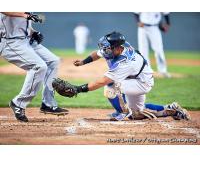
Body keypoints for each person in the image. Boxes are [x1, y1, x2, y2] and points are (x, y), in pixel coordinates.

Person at [52, 31, 190, 121]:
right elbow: (97, 53)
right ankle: (172, 109)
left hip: (141, 83)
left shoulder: (124, 62)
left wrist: (78, 89)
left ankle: (123, 112)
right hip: (134, 79)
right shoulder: (115, 49)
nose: (105, 50)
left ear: (117, 48)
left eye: (107, 48)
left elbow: (102, 81)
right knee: (138, 114)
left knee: (110, 86)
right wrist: (83, 62)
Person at [0, 12, 68, 122]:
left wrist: (33, 32)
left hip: (27, 41)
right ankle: (18, 103)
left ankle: (48, 103)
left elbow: (23, 24)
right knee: (39, 66)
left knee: (53, 61)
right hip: (11, 42)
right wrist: (26, 15)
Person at [134, 12, 171, 78]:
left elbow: (166, 13)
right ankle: (146, 71)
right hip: (143, 28)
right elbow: (135, 12)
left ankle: (163, 71)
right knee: (143, 50)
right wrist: (138, 21)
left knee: (159, 50)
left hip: (155, 27)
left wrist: (168, 23)